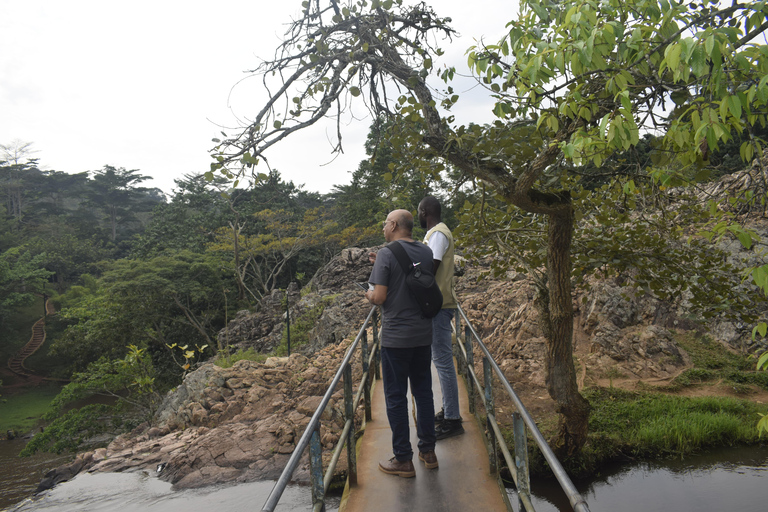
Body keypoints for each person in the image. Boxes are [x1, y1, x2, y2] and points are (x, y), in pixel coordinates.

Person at [365, 209, 438, 477]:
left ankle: (403, 459)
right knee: (424, 393)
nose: (383, 227)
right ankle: (428, 452)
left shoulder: (386, 252)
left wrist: (369, 295)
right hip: (423, 334)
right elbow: (413, 277)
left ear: (394, 225)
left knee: (396, 397)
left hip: (396, 339)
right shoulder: (426, 252)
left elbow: (381, 296)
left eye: (385, 223)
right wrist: (382, 263)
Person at [418, 196, 464, 440]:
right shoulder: (439, 232)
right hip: (441, 302)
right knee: (442, 361)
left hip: (438, 304)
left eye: (419, 211)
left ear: (424, 211)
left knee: (443, 362)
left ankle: (453, 419)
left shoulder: (437, 234)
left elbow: (430, 268)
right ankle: (449, 410)